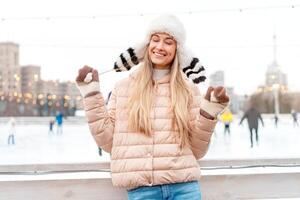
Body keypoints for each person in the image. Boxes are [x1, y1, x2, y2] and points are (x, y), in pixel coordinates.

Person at [76, 15, 229, 200]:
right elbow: (109, 142)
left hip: (185, 189)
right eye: (155, 40)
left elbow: (197, 150)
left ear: (178, 49)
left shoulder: (189, 89)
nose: (160, 47)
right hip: (143, 191)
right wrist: (91, 95)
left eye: (168, 42)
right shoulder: (123, 87)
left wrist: (208, 114)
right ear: (146, 45)